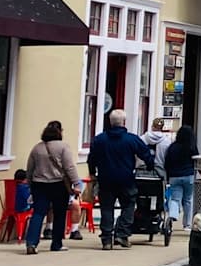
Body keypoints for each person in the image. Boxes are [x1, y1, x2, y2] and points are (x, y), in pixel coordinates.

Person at [86, 108, 156, 249]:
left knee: (106, 208)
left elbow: (91, 158)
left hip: (105, 179)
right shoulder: (131, 139)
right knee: (129, 205)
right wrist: (150, 165)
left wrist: (93, 172)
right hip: (126, 178)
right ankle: (122, 234)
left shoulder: (99, 140)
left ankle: (106, 238)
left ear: (110, 122)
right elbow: (145, 153)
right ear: (123, 122)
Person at [24, 121, 80, 255]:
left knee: (38, 213)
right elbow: (69, 167)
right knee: (59, 214)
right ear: (60, 132)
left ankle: (31, 243)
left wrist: (31, 185)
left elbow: (30, 169)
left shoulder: (37, 148)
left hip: (39, 184)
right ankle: (56, 244)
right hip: (58, 184)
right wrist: (76, 183)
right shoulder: (63, 147)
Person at [162, 125, 200, 231]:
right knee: (188, 200)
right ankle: (187, 224)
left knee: (175, 198)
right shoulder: (191, 147)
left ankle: (173, 215)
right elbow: (196, 160)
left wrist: (168, 175)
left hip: (175, 176)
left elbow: (167, 163)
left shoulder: (172, 147)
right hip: (189, 176)